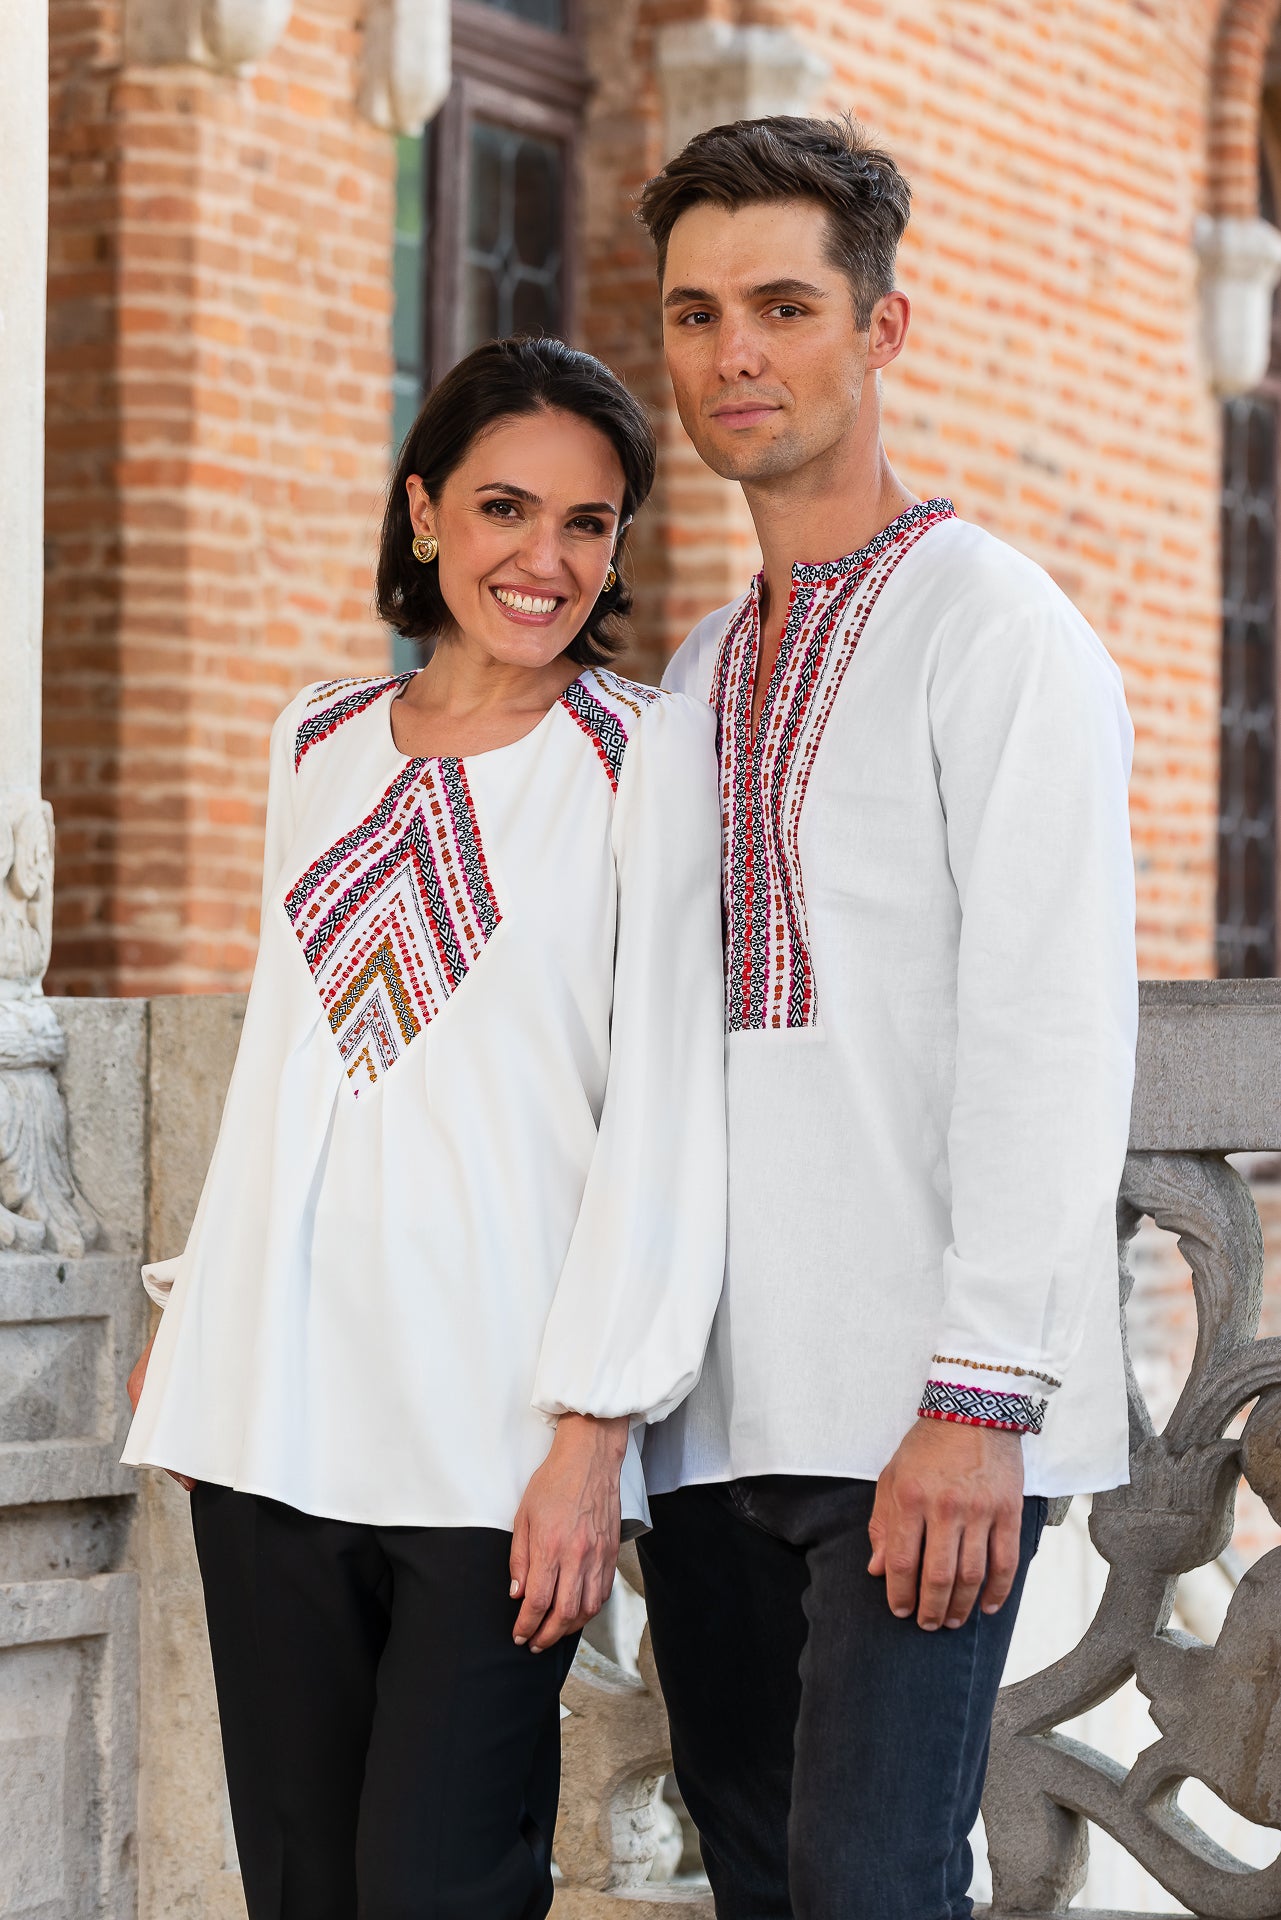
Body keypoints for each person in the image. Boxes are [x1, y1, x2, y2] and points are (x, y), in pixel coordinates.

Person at [122, 335, 727, 1920]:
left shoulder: (640, 753)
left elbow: (665, 1108)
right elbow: (286, 1057)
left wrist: (593, 1434)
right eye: (504, 508)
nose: (546, 560)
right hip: (269, 1399)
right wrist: (198, 1310)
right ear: (422, 513)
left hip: (495, 1435)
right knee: (302, 1885)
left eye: (587, 524)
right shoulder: (315, 738)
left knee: (435, 1882)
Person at [634, 117, 1138, 1920]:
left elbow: (1049, 1030)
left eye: (782, 306)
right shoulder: (697, 670)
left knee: (870, 1887)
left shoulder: (993, 632)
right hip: (708, 1417)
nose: (735, 354)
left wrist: (980, 1396)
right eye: (695, 314)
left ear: (882, 328)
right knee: (763, 1885)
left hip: (920, 1416)